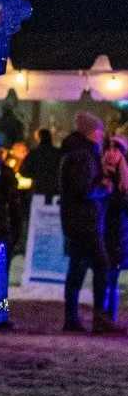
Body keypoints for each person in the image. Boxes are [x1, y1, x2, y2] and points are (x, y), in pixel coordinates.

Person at [59, 111, 120, 334]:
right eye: (100, 131)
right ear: (93, 132)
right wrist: (104, 188)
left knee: (76, 270)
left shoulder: (75, 152)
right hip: (85, 222)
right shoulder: (84, 155)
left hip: (76, 221)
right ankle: (99, 319)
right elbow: (83, 189)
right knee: (102, 268)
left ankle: (72, 319)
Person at [102, 135, 128, 322]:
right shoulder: (99, 173)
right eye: (109, 148)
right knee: (105, 274)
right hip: (104, 230)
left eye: (116, 149)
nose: (112, 152)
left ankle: (109, 315)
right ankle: (103, 315)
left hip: (119, 232)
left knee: (112, 274)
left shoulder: (124, 177)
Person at [20, 128, 61, 201]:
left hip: (38, 191)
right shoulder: (59, 154)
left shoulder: (33, 154)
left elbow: (23, 171)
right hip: (56, 193)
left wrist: (35, 175)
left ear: (39, 138)